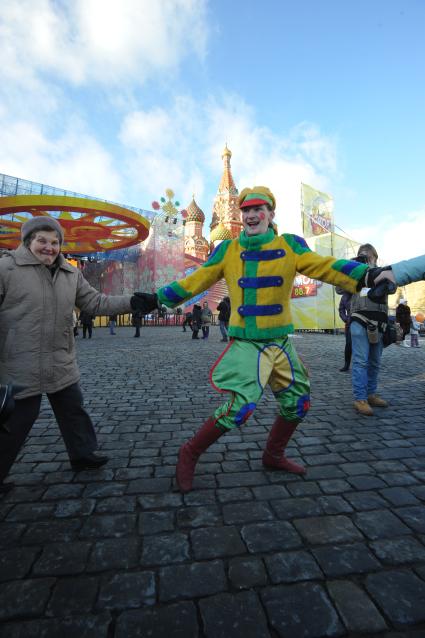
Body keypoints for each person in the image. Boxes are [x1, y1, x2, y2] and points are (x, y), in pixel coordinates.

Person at [147, 186, 368, 492]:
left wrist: (365, 275)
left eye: (257, 209)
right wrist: (156, 298)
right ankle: (190, 452)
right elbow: (196, 279)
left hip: (280, 343)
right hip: (248, 344)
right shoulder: (228, 250)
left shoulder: (289, 246)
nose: (251, 215)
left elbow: (324, 266)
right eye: (246, 210)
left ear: (270, 214)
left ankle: (273, 455)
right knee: (240, 408)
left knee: (298, 403)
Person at [0, 216, 156, 494]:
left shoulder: (71, 274)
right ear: (27, 241)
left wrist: (132, 301)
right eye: (42, 241)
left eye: (55, 242)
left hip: (60, 358)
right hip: (17, 362)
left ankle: (83, 454)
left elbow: (96, 302)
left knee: (74, 411)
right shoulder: (6, 268)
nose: (49, 247)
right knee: (16, 422)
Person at [349, 244, 389, 416]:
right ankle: (360, 399)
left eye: (367, 256)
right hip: (359, 319)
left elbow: (391, 288)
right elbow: (339, 288)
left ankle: (371, 394)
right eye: (361, 255)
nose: (364, 258)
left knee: (375, 362)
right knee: (360, 361)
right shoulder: (353, 271)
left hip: (379, 322)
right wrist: (353, 268)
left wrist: (373, 271)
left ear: (375, 257)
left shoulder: (383, 272)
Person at [338, 290, 352, 372]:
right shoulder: (345, 296)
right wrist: (346, 319)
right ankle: (346, 364)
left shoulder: (360, 292)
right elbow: (341, 309)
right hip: (350, 323)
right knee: (349, 345)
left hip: (362, 322)